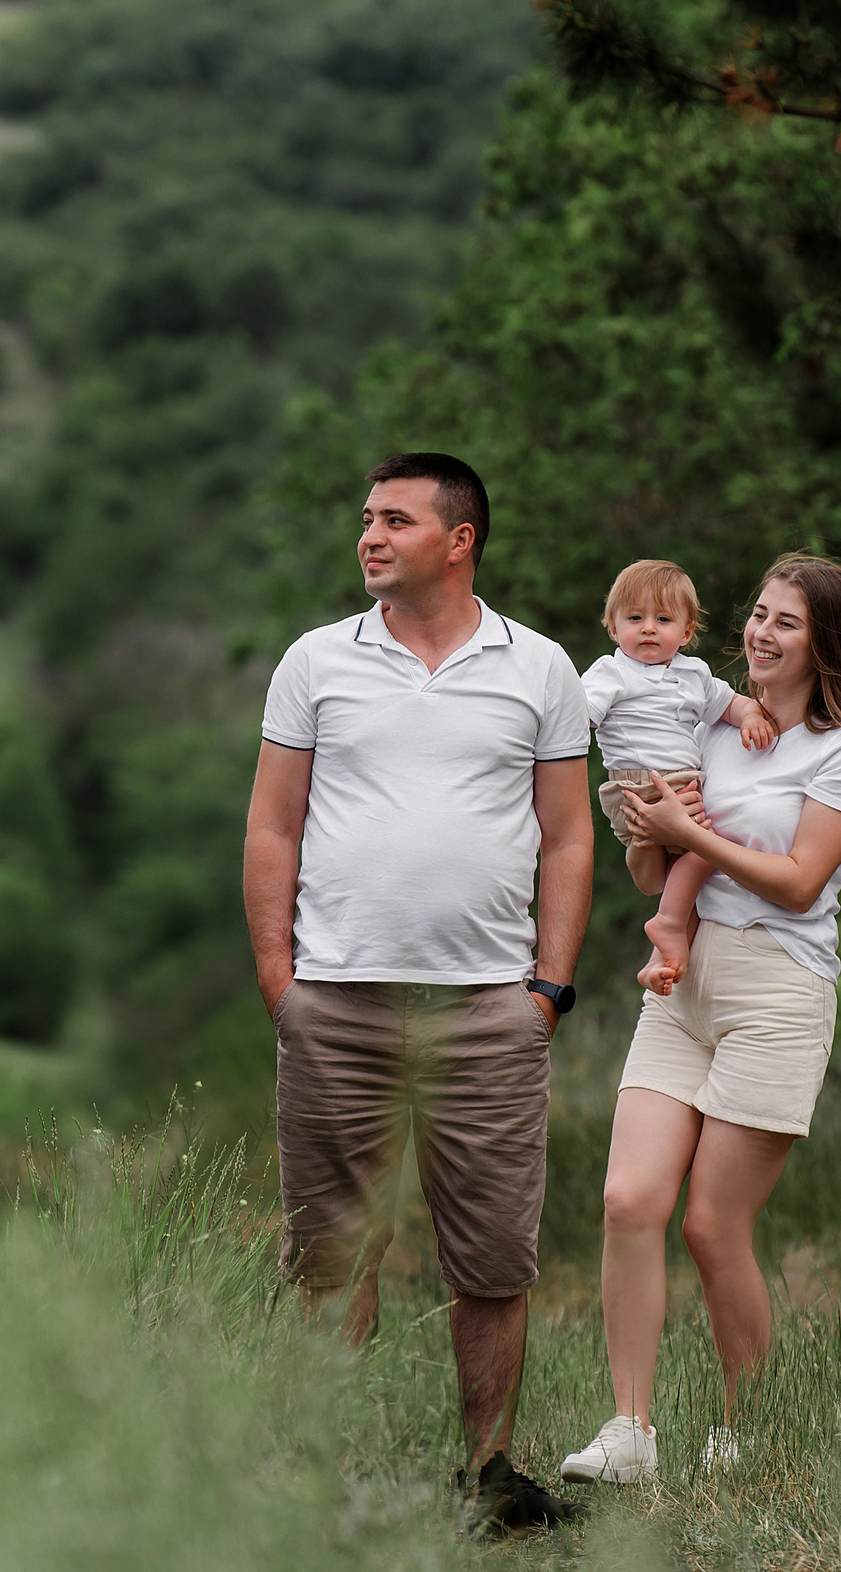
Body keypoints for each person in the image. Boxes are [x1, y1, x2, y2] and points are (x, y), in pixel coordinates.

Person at [242, 452, 597, 1536]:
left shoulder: (539, 667)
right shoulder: (316, 660)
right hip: (336, 1000)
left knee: (491, 1252)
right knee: (331, 1247)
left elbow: (571, 835)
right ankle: (317, 1470)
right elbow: (272, 824)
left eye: (393, 519)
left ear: (460, 537)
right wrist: (280, 982)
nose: (367, 536)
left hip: (488, 1005)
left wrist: (548, 985)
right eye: (363, 519)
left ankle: (489, 1473)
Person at [559, 554, 841, 1486]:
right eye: (757, 615)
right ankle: (631, 1430)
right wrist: (650, 832)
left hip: (777, 991)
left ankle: (748, 1429)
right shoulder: (710, 727)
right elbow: (653, 873)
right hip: (681, 983)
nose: (759, 632)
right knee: (629, 1199)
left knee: (713, 1226)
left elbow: (801, 883)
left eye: (784, 622)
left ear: (825, 642)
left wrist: (691, 838)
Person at [578, 559, 776, 997]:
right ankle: (668, 923)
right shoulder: (610, 673)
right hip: (636, 785)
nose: (648, 629)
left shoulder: (694, 674)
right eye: (635, 618)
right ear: (613, 628)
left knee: (686, 867)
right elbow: (577, 719)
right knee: (711, 851)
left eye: (663, 619)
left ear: (686, 633)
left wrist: (753, 716)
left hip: (682, 782)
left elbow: (732, 704)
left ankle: (668, 950)